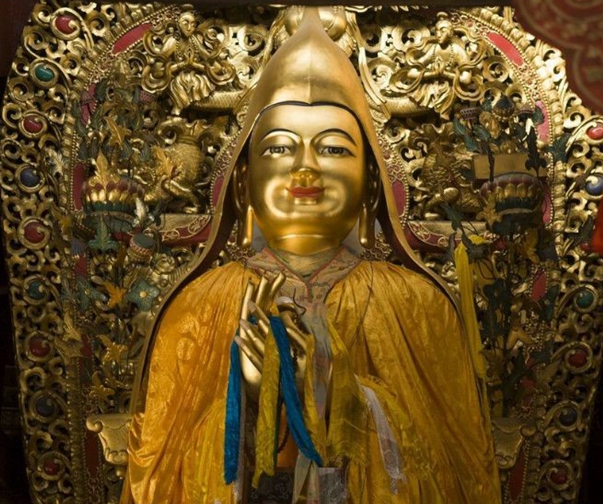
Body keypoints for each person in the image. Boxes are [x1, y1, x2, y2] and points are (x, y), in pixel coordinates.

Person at [121, 10, 500, 504]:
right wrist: (252, 408)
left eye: (333, 150)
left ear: (369, 186)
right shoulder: (198, 308)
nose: (304, 169)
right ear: (242, 184)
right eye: (279, 148)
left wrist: (339, 400)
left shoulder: (418, 307)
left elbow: (456, 473)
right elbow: (159, 479)